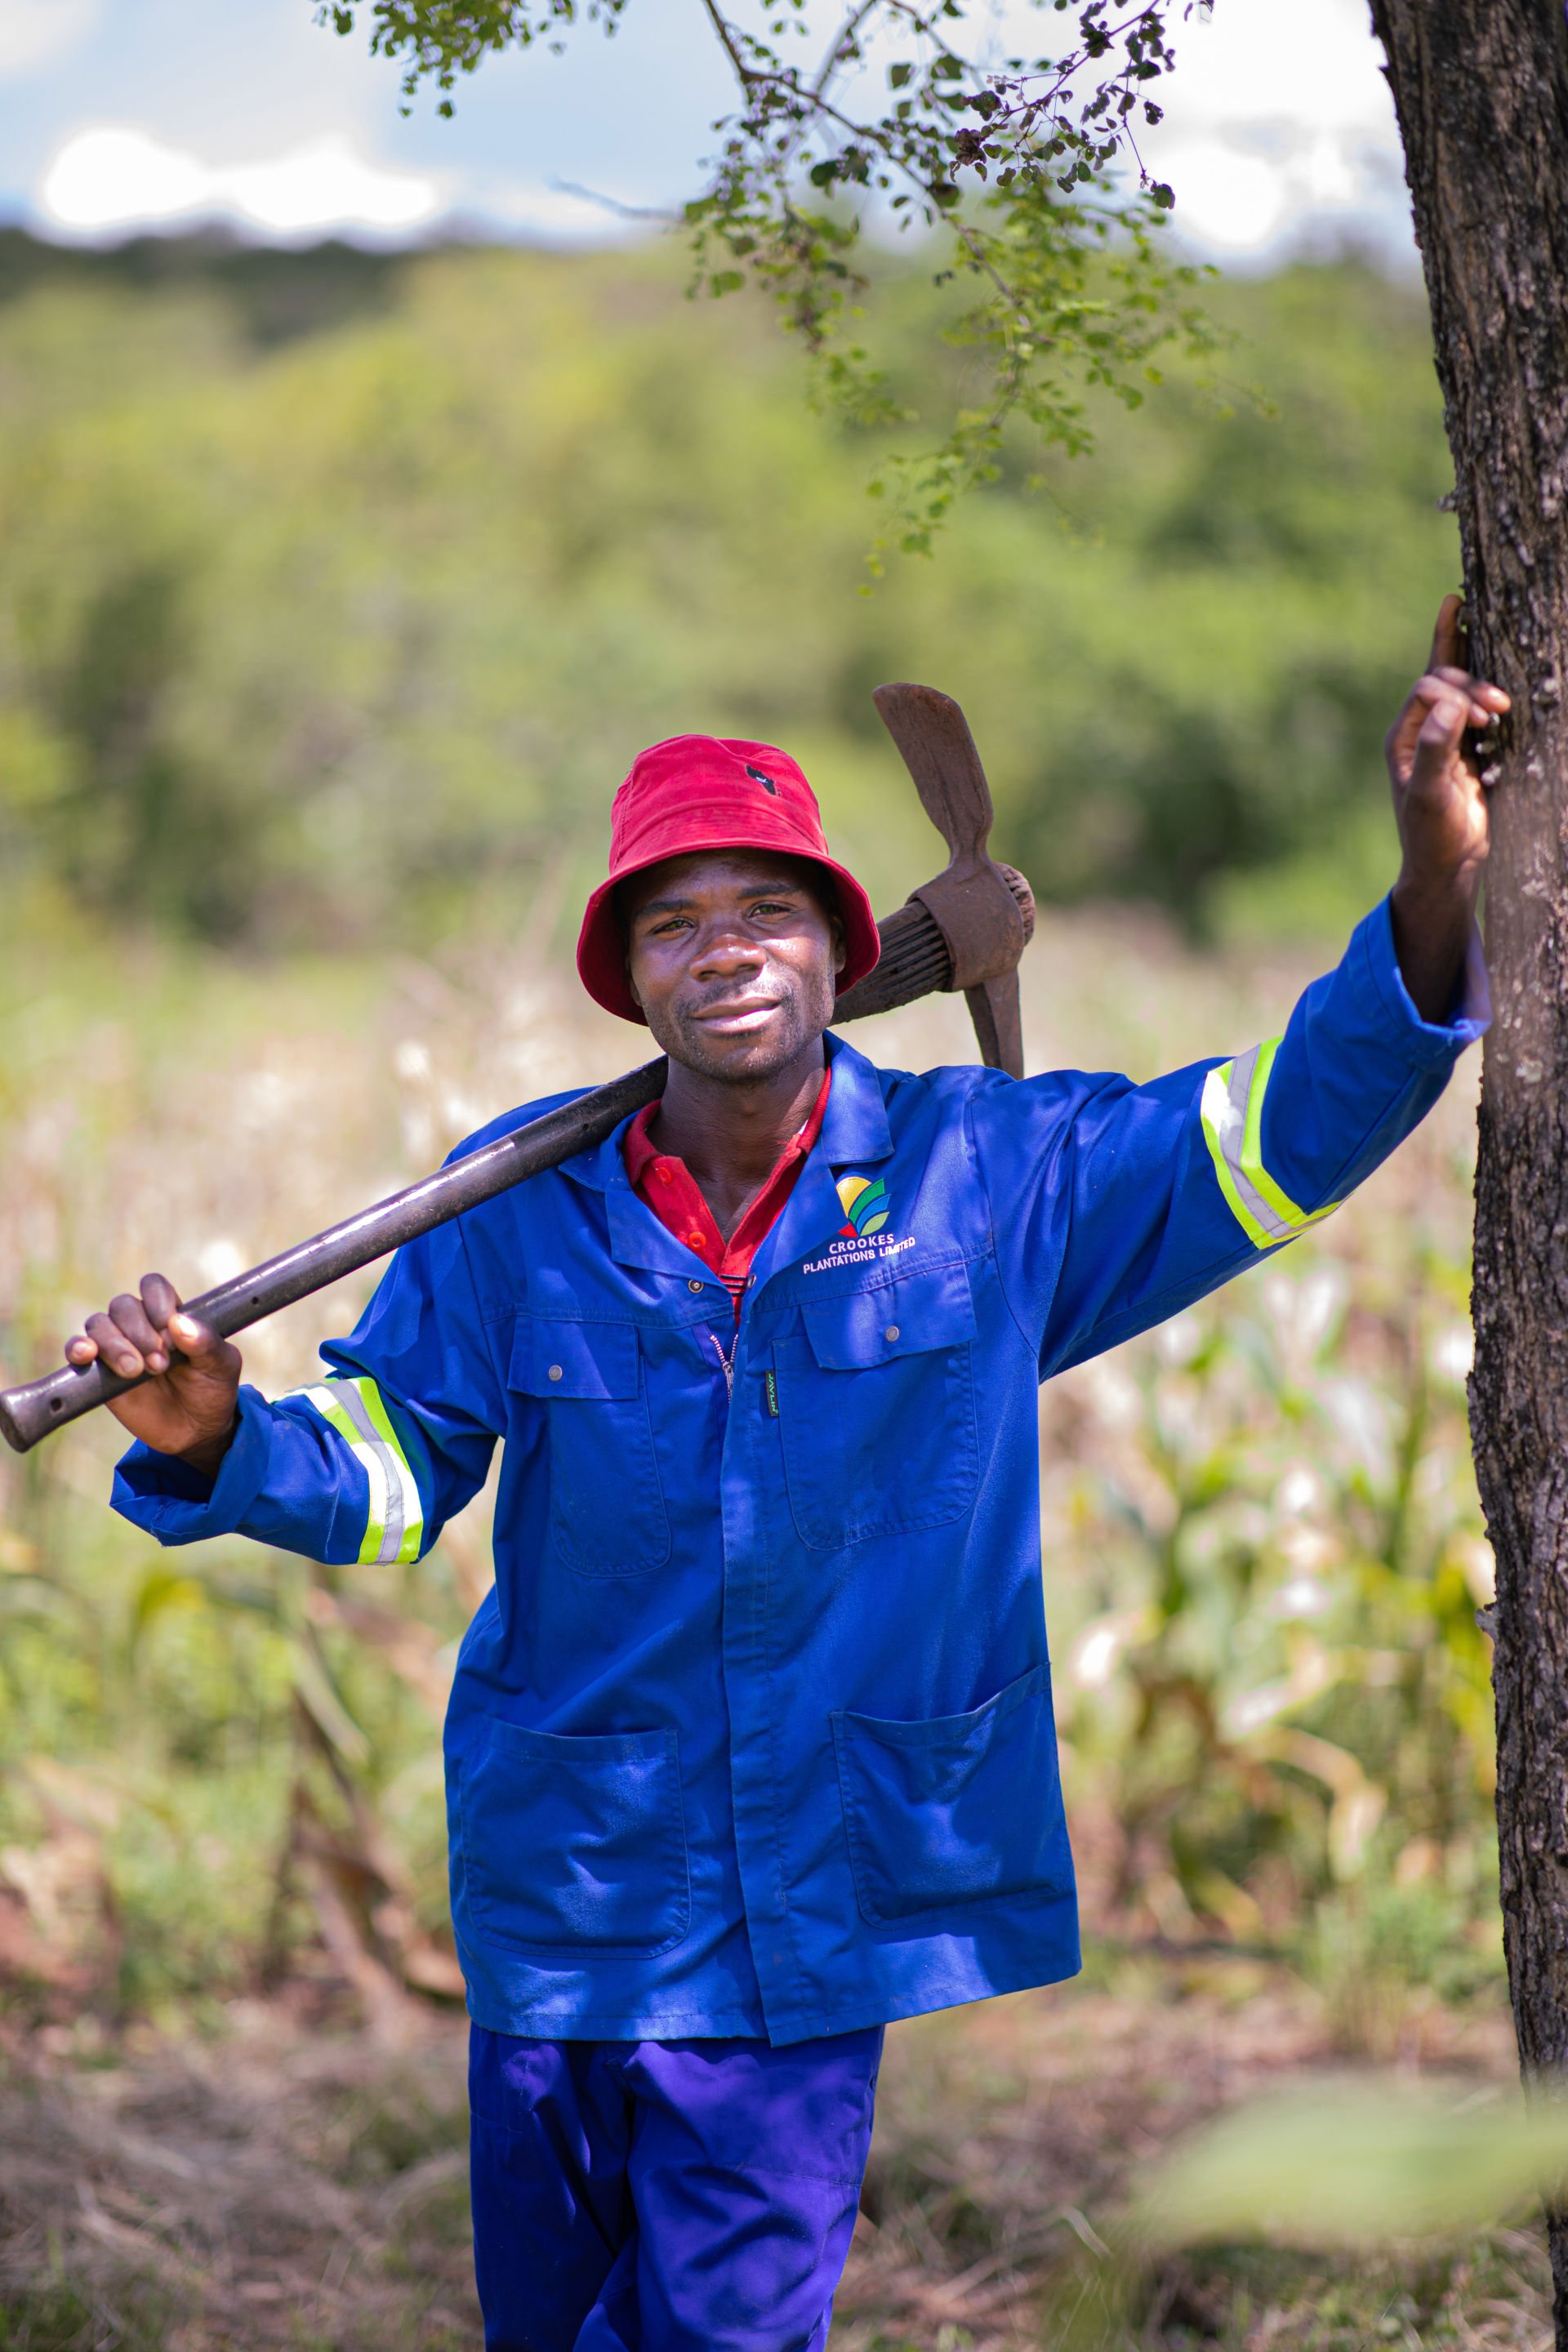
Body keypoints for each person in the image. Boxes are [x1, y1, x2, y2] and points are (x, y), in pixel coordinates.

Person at [71, 599, 1504, 2351]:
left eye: (766, 912)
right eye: (676, 925)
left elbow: (1284, 1126)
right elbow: (385, 1473)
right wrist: (213, 1436)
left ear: (843, 949)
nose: (723, 949)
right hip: (569, 1893)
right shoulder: (520, 1206)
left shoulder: (997, 1179)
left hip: (812, 1913)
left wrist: (1435, 878)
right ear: (631, 980)